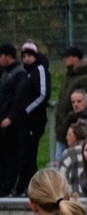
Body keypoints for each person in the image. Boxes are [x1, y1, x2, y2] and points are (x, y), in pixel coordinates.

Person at [5, 42, 50, 198]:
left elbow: (42, 95)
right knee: (25, 155)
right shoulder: (26, 73)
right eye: (24, 56)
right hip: (23, 122)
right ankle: (29, 187)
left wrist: (26, 110)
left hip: (33, 122)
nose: (26, 59)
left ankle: (23, 188)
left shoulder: (40, 70)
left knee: (28, 155)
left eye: (29, 55)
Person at [53, 46, 87, 160]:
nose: (64, 59)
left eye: (66, 57)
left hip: (73, 130)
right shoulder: (67, 77)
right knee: (59, 160)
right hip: (62, 130)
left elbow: (82, 106)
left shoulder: (84, 79)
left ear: (75, 58)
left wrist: (68, 119)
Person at [0, 43, 27, 196]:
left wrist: (10, 117)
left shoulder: (19, 73)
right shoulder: (6, 73)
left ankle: (8, 187)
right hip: (3, 120)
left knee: (11, 157)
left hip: (11, 124)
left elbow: (19, 98)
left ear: (7, 56)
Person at [57, 119, 87, 196]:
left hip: (73, 196)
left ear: (76, 137)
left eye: (69, 135)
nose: (66, 137)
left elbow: (61, 177)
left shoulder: (69, 153)